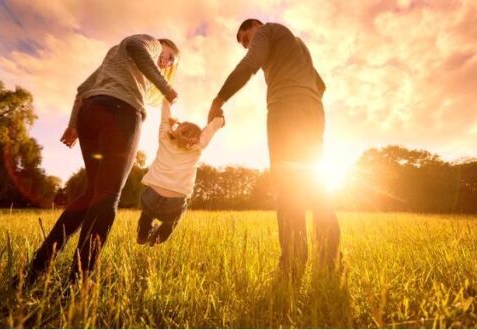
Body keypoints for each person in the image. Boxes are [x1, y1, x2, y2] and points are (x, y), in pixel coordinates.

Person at [22, 34, 180, 288]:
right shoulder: (149, 42)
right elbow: (135, 45)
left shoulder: (116, 59)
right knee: (107, 196)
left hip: (91, 113)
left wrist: (74, 124)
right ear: (161, 45)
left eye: (171, 63)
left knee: (92, 194)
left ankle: (36, 269)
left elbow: (83, 89)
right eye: (169, 56)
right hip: (121, 114)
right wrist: (166, 88)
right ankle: (79, 281)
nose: (167, 62)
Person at [208, 19, 340, 278]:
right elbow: (321, 85)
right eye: (245, 44)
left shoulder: (267, 31)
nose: (248, 46)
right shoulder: (297, 44)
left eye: (247, 39)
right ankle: (329, 263)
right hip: (313, 109)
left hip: (286, 107)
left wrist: (219, 98)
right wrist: (305, 97)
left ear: (256, 26)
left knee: (288, 186)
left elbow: (250, 64)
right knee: (316, 186)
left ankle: (292, 267)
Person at [136, 100, 225, 245]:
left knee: (147, 213)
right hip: (174, 204)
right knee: (173, 220)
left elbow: (165, 118)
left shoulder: (165, 138)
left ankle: (142, 234)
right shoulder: (197, 147)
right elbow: (210, 130)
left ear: (179, 129)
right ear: (197, 137)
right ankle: (158, 239)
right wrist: (219, 120)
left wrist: (167, 100)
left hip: (150, 198)